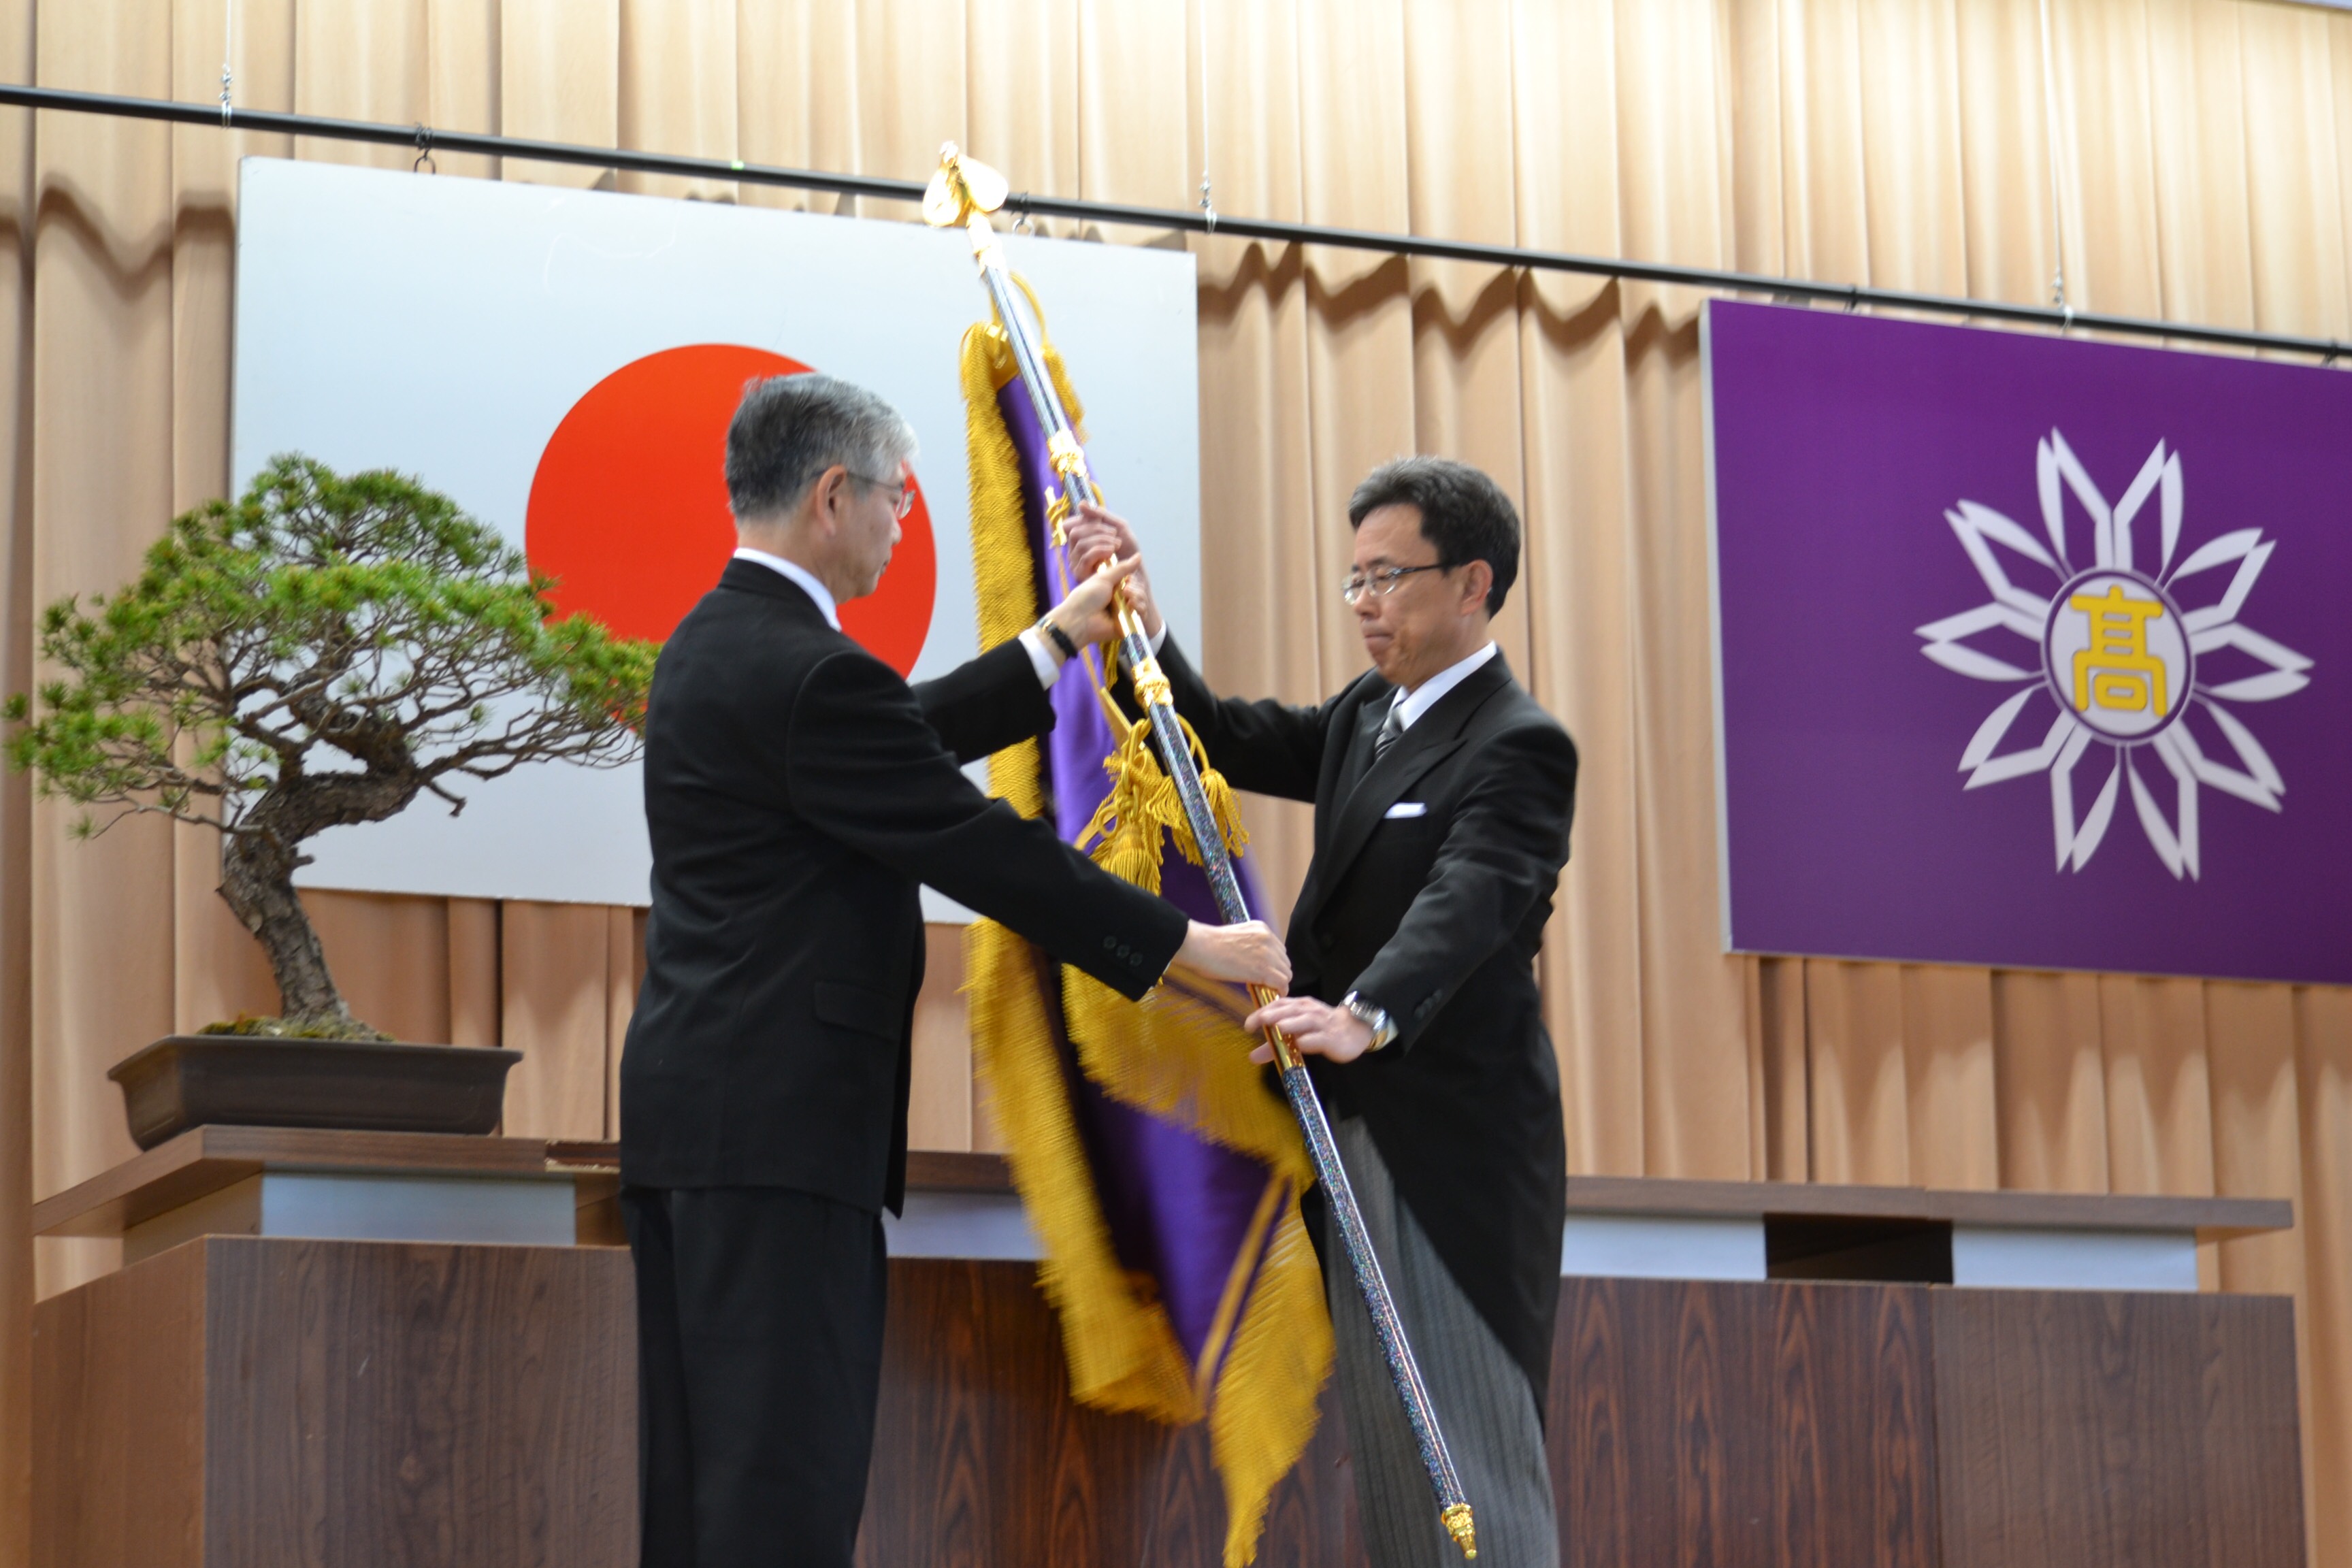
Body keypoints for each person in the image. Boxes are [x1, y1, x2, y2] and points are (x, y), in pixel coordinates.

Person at [618, 372, 1290, 1568]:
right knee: (784, 1490)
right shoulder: (812, 671)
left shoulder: (716, 645)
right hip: (780, 1136)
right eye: (894, 499)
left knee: (703, 1488)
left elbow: (895, 744)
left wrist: (1056, 642)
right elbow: (977, 845)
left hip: (703, 1122)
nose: (900, 522)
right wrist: (1186, 946)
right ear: (833, 495)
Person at [1068, 457, 1577, 1567]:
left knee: (1466, 1450)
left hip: (1452, 1151)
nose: (1365, 606)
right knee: (1397, 1456)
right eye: (1354, 581)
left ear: (1474, 584)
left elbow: (1473, 897)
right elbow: (1220, 738)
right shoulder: (1370, 714)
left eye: (1389, 578)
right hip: (1350, 1123)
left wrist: (1366, 1011)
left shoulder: (1521, 744)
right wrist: (1140, 629)